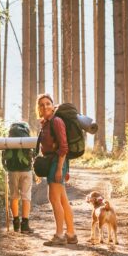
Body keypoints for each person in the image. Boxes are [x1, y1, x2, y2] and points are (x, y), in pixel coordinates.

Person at [36, 93, 77, 246]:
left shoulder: (57, 121)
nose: (45, 106)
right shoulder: (46, 123)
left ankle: (60, 235)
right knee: (62, 200)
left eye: (48, 103)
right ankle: (71, 234)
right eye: (41, 104)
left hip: (58, 162)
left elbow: (64, 147)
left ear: (53, 106)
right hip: (54, 162)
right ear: (38, 109)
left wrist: (60, 168)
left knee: (54, 199)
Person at [1, 122, 34, 233]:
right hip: (26, 170)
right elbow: (33, 153)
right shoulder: (26, 138)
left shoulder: (10, 140)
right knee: (26, 197)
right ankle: (25, 225)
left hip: (12, 171)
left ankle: (15, 223)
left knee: (14, 196)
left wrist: (6, 167)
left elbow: (4, 155)